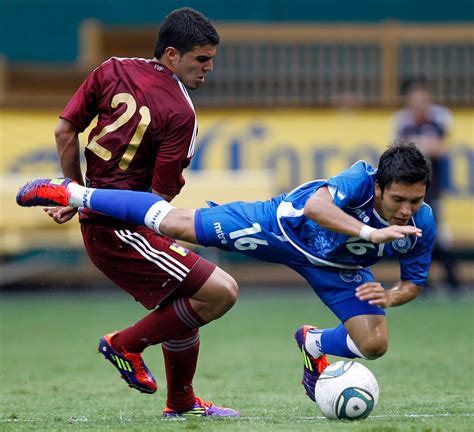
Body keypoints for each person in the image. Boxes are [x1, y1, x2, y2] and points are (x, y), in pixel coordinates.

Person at [17, 143, 436, 403]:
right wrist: (370, 233)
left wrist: (391, 296)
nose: (405, 210)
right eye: (398, 199)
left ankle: (312, 342)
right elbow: (316, 208)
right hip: (277, 229)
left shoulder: (423, 222)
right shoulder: (361, 179)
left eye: (415, 202)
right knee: (177, 223)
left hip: (337, 269)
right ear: (379, 187)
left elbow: (412, 284)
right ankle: (72, 192)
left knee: (375, 343)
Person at [26, 7, 240, 418]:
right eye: (202, 58)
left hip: (103, 221)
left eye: (211, 58)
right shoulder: (181, 112)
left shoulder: (112, 68)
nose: (209, 67)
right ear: (172, 55)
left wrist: (73, 193)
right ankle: (124, 344)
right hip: (123, 229)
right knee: (221, 292)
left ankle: (180, 404)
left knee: (185, 300)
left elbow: (64, 131)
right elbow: (157, 197)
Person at [392, 77, 460, 293]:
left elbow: (442, 148)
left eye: (423, 96)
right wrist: (424, 146)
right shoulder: (401, 120)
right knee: (415, 231)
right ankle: (424, 283)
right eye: (415, 96)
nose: (419, 100)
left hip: (433, 185)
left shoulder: (439, 116)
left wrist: (419, 146)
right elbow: (401, 149)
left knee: (437, 231)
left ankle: (451, 280)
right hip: (411, 186)